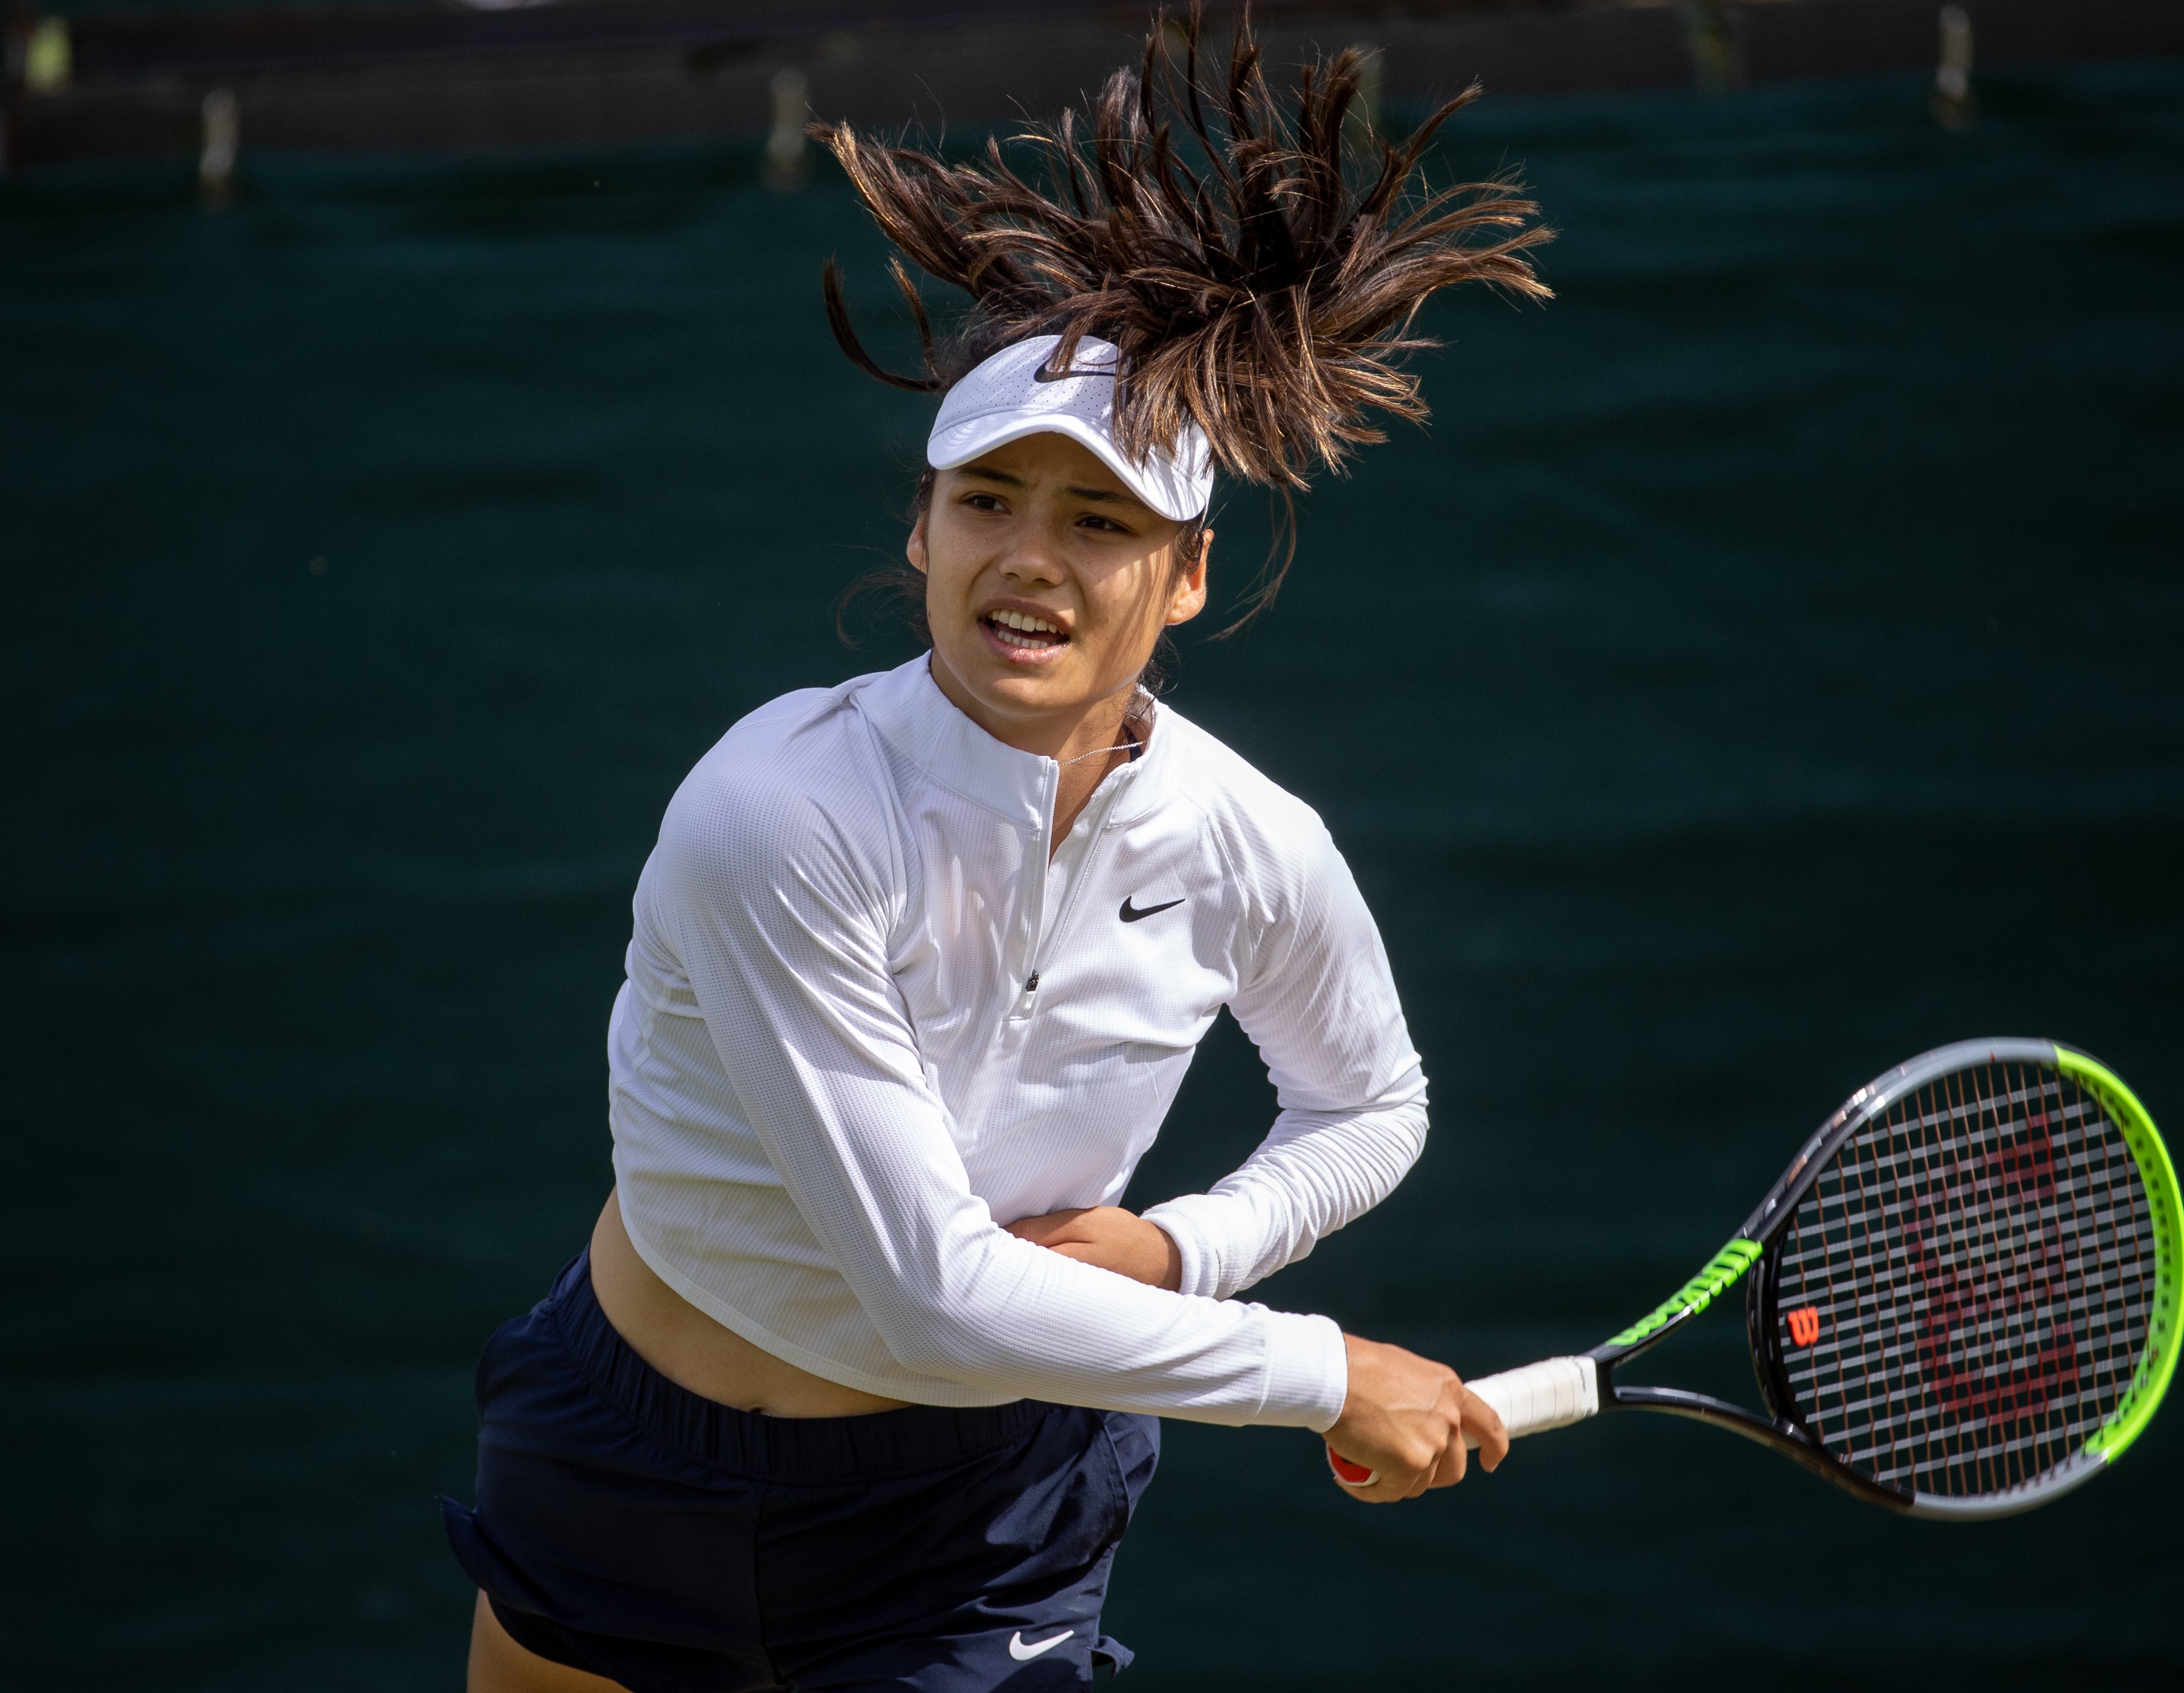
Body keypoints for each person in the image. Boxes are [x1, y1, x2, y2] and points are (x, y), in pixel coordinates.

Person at [443, 15, 1552, 1691]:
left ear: (1183, 578)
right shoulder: (780, 812)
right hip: (630, 1467)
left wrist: (1193, 1245)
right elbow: (928, 1294)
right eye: (987, 502)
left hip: (976, 1528)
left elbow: (1371, 1103)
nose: (1027, 558)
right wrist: (1325, 1371)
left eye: (1096, 521)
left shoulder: (1255, 841)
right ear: (921, 524)